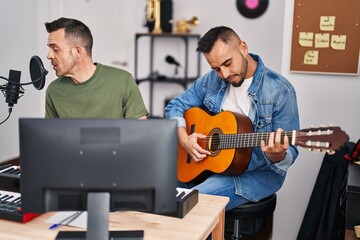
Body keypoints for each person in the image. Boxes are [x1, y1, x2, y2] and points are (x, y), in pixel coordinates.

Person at [165, 26, 300, 211]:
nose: (224, 74)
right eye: (217, 68)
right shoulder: (211, 80)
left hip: (254, 176)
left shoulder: (280, 91)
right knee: (159, 191)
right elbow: (175, 106)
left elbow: (290, 151)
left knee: (192, 204)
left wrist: (277, 154)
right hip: (208, 167)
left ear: (243, 48)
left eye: (228, 63)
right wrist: (184, 138)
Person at [44, 17, 148, 119]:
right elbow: (49, 135)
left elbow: (141, 131)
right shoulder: (53, 91)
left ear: (77, 52)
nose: (49, 55)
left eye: (55, 49)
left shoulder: (123, 81)